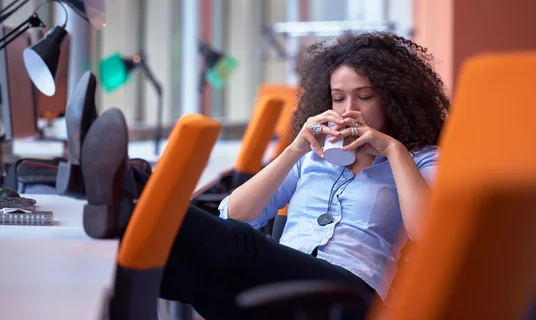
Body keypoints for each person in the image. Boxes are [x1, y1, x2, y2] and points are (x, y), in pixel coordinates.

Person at [81, 31, 450, 319]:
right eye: (338, 97)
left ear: (393, 98)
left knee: (243, 244)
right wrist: (295, 150)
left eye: (364, 96)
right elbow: (234, 213)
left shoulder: (417, 160)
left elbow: (429, 233)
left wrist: (392, 150)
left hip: (351, 294)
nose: (348, 109)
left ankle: (133, 189)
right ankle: (122, 216)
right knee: (177, 274)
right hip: (279, 283)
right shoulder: (314, 156)